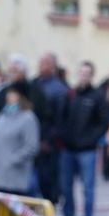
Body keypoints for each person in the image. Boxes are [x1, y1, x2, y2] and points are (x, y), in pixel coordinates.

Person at [58, 62, 109, 216]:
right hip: (68, 148)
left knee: (88, 188)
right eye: (81, 73)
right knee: (66, 187)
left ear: (91, 75)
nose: (83, 76)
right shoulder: (70, 94)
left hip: (87, 150)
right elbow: (62, 117)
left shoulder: (97, 97)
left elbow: (103, 122)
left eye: (87, 73)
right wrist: (63, 136)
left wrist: (91, 139)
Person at [0, 80, 41, 196]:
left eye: (13, 94)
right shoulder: (2, 116)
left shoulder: (28, 118)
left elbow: (32, 146)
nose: (9, 97)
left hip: (16, 176)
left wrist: (12, 160)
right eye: (9, 93)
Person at [32, 53, 70, 203]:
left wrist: (48, 139)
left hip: (50, 144)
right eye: (41, 63)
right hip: (33, 139)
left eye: (46, 63)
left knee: (49, 179)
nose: (42, 67)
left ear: (53, 66)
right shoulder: (34, 84)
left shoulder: (60, 89)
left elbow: (60, 119)